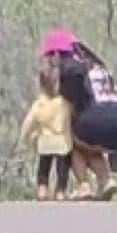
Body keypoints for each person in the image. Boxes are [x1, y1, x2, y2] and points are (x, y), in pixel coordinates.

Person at [39, 27, 117, 201]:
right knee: (90, 145)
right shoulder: (97, 65)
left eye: (50, 57)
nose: (50, 62)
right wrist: (114, 152)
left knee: (71, 140)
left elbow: (69, 105)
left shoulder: (71, 69)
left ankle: (83, 185)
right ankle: (106, 180)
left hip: (99, 117)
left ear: (57, 54)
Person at [18, 57, 73, 201]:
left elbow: (28, 124)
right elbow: (72, 119)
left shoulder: (39, 105)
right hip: (62, 143)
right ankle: (60, 191)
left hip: (45, 142)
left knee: (44, 167)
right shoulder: (64, 103)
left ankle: (42, 189)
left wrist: (25, 139)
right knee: (63, 168)